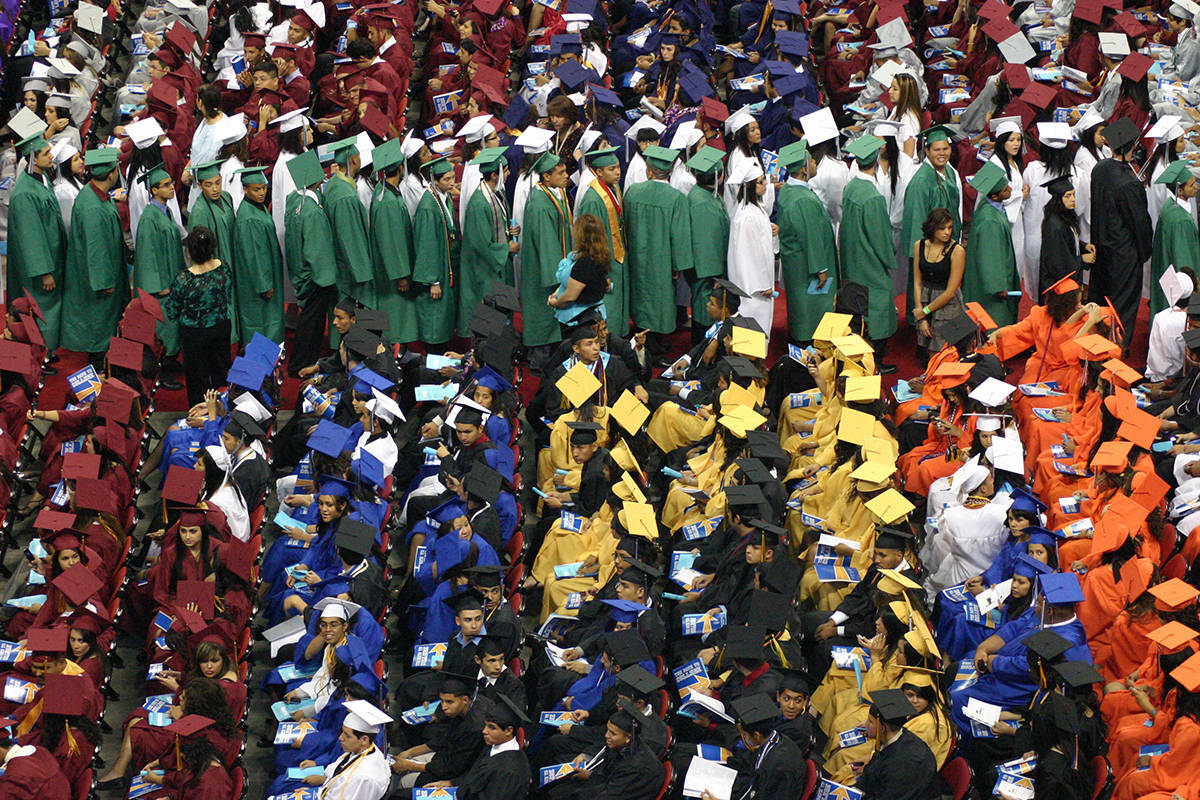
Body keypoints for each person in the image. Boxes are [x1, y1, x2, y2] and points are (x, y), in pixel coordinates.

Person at [624, 145, 693, 366]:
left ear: (649, 171)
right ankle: (653, 349)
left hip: (635, 257)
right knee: (660, 301)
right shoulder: (676, 199)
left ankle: (643, 343)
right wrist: (678, 266)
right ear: (670, 172)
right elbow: (679, 237)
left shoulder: (633, 192)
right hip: (661, 261)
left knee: (640, 297)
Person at [61, 148, 129, 365]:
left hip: (101, 271)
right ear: (112, 173)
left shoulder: (94, 194)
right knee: (99, 324)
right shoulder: (92, 207)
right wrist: (104, 282)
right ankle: (99, 362)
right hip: (98, 280)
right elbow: (96, 249)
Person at [1089, 117, 1153, 348]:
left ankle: (1097, 343)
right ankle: (1117, 348)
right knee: (1122, 304)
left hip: (1102, 245)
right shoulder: (1129, 183)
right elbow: (1139, 222)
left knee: (1102, 297)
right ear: (1132, 147)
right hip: (1124, 251)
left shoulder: (1099, 169)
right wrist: (1145, 251)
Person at [840, 135, 897, 366]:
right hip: (870, 263)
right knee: (878, 309)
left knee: (857, 308)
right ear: (876, 161)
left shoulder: (851, 187)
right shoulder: (873, 197)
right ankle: (875, 361)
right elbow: (881, 237)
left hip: (852, 260)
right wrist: (889, 258)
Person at [7, 134, 65, 357]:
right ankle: (40, 353)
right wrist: (43, 271)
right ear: (32, 158)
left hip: (52, 256)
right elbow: (31, 236)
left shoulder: (41, 179)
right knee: (39, 308)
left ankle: (46, 349)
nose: (51, 156)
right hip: (39, 268)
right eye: (45, 153)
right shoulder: (24, 193)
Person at [162, 227, 233, 407]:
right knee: (221, 372)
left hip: (194, 335)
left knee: (196, 378)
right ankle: (223, 412)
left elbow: (171, 310)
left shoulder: (183, 279)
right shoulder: (224, 268)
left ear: (189, 252)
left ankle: (199, 416)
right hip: (221, 328)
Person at [776, 139, 838, 344]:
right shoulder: (804, 199)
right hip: (807, 266)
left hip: (795, 263)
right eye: (811, 161)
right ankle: (809, 344)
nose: (815, 164)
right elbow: (811, 237)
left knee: (799, 305)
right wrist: (820, 268)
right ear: (803, 169)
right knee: (813, 308)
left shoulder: (787, 190)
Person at [282, 150, 338, 376]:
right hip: (315, 277)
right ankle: (301, 364)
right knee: (311, 325)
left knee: (308, 321)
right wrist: (327, 278)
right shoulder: (312, 213)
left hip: (299, 271)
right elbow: (318, 250)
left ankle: (301, 361)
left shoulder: (295, 201)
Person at [132, 165, 187, 368]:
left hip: (170, 278)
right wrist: (157, 286)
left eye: (171, 183)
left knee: (172, 323)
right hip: (160, 285)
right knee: (163, 326)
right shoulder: (149, 218)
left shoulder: (165, 212)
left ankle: (170, 360)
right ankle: (162, 367)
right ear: (154, 190)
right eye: (165, 185)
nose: (172, 187)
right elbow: (147, 256)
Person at [520, 152, 574, 358]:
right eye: (560, 173)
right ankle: (538, 362)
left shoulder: (548, 194)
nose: (566, 175)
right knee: (542, 318)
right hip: (543, 273)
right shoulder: (541, 204)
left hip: (549, 265)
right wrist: (559, 277)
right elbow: (547, 245)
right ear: (546, 177)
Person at [576, 145, 629, 335]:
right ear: (598, 172)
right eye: (611, 169)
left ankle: (619, 337)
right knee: (608, 305)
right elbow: (589, 239)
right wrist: (600, 268)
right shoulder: (593, 199)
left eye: (617, 167)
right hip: (603, 260)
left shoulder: (614, 188)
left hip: (617, 255)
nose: (617, 172)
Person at [230, 166, 285, 344]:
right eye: (256, 189)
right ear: (245, 189)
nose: (262, 193)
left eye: (263, 188)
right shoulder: (249, 218)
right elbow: (254, 256)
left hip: (267, 274)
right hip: (258, 283)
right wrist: (264, 285)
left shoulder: (256, 207)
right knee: (261, 323)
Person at [853, 690, 940, 800]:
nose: (865, 725)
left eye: (870, 722)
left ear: (882, 728)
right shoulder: (899, 737)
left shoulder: (905, 765)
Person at [962, 162, 1019, 327]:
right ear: (994, 196)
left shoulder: (989, 207)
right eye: (1004, 189)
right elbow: (989, 255)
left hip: (995, 278)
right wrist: (997, 286)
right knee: (994, 323)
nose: (1009, 188)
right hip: (992, 289)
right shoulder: (989, 221)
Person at [412, 156, 461, 348]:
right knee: (435, 319)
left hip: (446, 265)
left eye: (452, 178)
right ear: (434, 180)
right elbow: (426, 245)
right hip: (437, 271)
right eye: (446, 180)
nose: (451, 183)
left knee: (445, 317)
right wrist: (433, 281)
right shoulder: (428, 206)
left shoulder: (444, 198)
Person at [298, 701, 392, 800]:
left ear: (364, 740)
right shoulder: (365, 749)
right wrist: (314, 793)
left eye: (347, 735)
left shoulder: (362, 777)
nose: (340, 738)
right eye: (342, 732)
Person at [911, 207, 966, 355]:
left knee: (944, 353)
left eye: (949, 227)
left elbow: (950, 292)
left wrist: (924, 311)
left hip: (947, 306)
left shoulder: (957, 251)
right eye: (942, 228)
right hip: (924, 301)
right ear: (932, 228)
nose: (947, 232)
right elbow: (917, 282)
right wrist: (920, 313)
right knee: (926, 354)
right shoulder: (919, 246)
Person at [1150, 159, 1200, 318]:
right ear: (1180, 190)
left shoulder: (1169, 206)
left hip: (1166, 270)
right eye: (1192, 185)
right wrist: (1194, 283)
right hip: (1179, 279)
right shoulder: (1181, 220)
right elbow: (1183, 257)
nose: (1196, 187)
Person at [549, 214, 611, 333]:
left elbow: (570, 297)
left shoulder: (584, 264)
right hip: (594, 314)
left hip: (580, 323)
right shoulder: (600, 256)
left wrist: (555, 303)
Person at [1038, 175, 1096, 291]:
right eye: (1068, 196)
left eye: (1073, 194)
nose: (1073, 199)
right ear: (1058, 199)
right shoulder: (1055, 226)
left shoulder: (1063, 217)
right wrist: (1082, 259)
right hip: (1057, 286)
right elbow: (1058, 262)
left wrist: (1083, 246)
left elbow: (1066, 242)